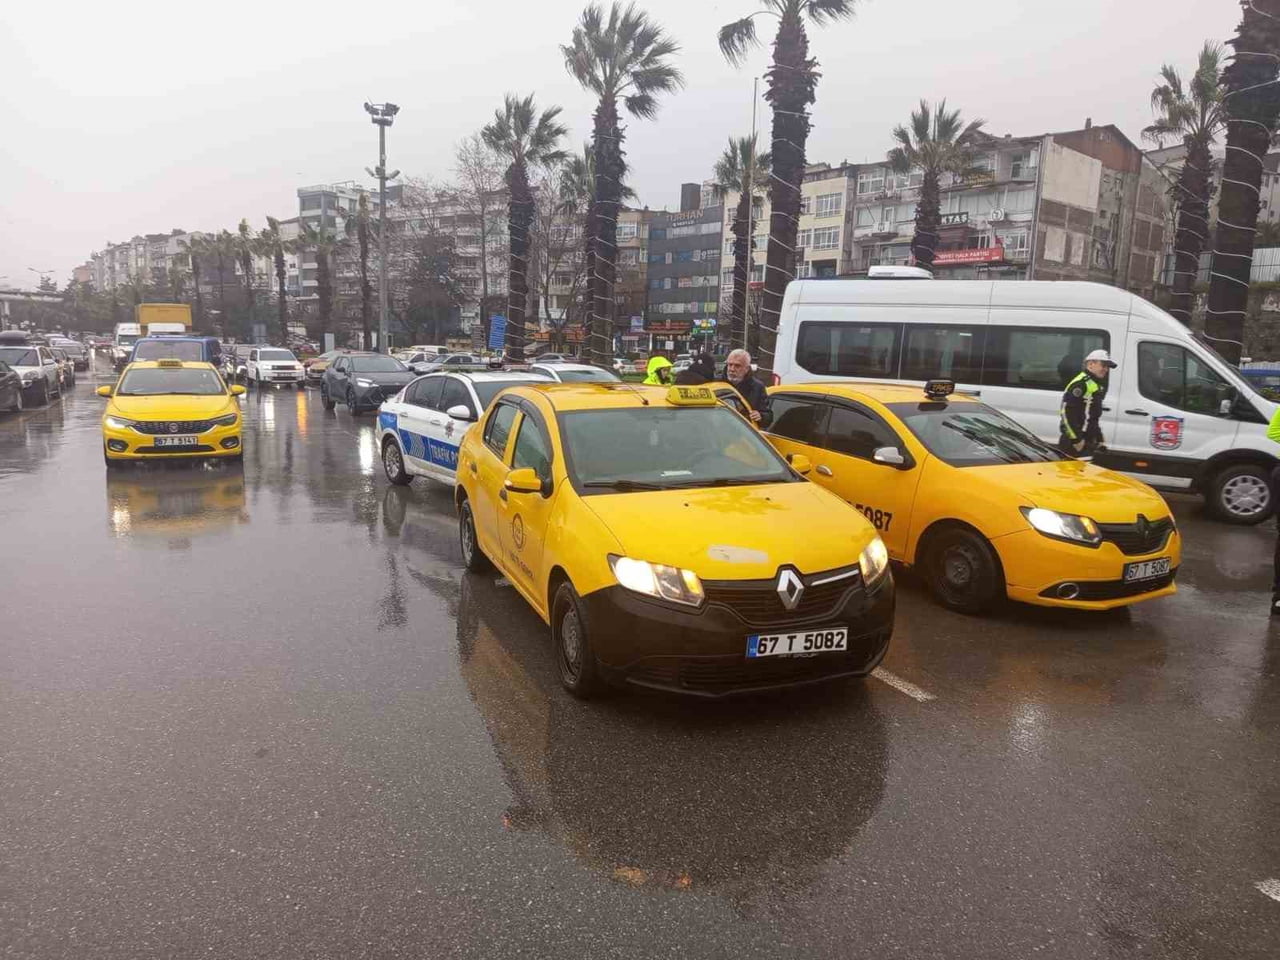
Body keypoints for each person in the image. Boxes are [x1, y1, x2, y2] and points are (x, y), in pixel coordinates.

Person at [1059, 348, 1117, 457]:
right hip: (1075, 441)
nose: (1106, 369)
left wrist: (1099, 437)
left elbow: (1092, 415)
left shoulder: (1094, 383)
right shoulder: (1081, 383)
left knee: (1085, 467)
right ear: (1090, 364)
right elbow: (1066, 412)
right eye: (1103, 365)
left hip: (1086, 439)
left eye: (1108, 367)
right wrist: (1076, 440)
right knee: (1072, 468)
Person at [725, 349, 771, 428]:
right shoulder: (717, 384)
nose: (732, 369)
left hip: (744, 431)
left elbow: (768, 415)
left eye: (737, 366)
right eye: (730, 365)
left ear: (747, 369)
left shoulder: (757, 387)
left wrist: (761, 416)